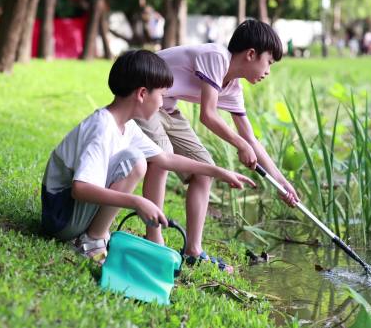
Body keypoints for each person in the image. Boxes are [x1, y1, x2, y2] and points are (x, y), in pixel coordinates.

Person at [40, 50, 255, 264]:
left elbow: (165, 159)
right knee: (136, 161)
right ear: (142, 94)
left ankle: (95, 234)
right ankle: (92, 240)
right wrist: (137, 202)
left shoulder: (127, 126)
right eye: (161, 95)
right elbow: (80, 189)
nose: (162, 104)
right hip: (61, 216)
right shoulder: (102, 128)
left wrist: (219, 172)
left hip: (68, 211)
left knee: (139, 160)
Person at [136, 19, 301, 273]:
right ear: (251, 54)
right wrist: (238, 144)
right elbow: (208, 115)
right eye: (269, 62)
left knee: (205, 170)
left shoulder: (233, 89)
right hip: (142, 97)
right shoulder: (216, 56)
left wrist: (280, 182)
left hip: (167, 108)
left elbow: (251, 139)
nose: (268, 70)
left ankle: (193, 251)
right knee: (162, 158)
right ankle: (154, 241)